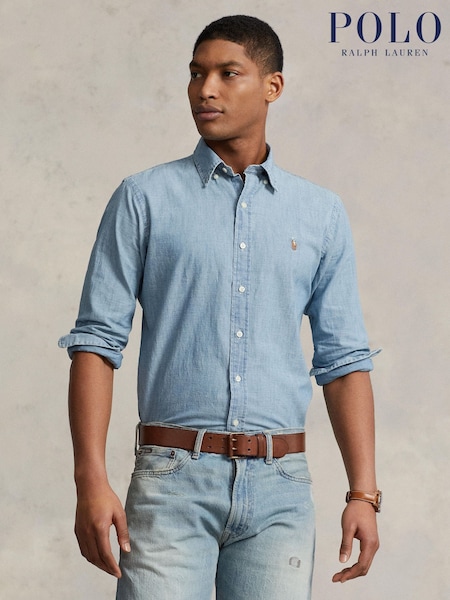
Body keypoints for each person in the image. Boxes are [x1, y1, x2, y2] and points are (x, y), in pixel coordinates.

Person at [59, 14, 381, 600]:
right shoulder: (144, 198)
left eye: (228, 73)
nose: (205, 89)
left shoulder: (320, 213)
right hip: (171, 481)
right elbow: (96, 345)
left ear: (272, 86)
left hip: (282, 489)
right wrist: (91, 481)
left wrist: (364, 493)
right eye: (196, 74)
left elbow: (343, 362)